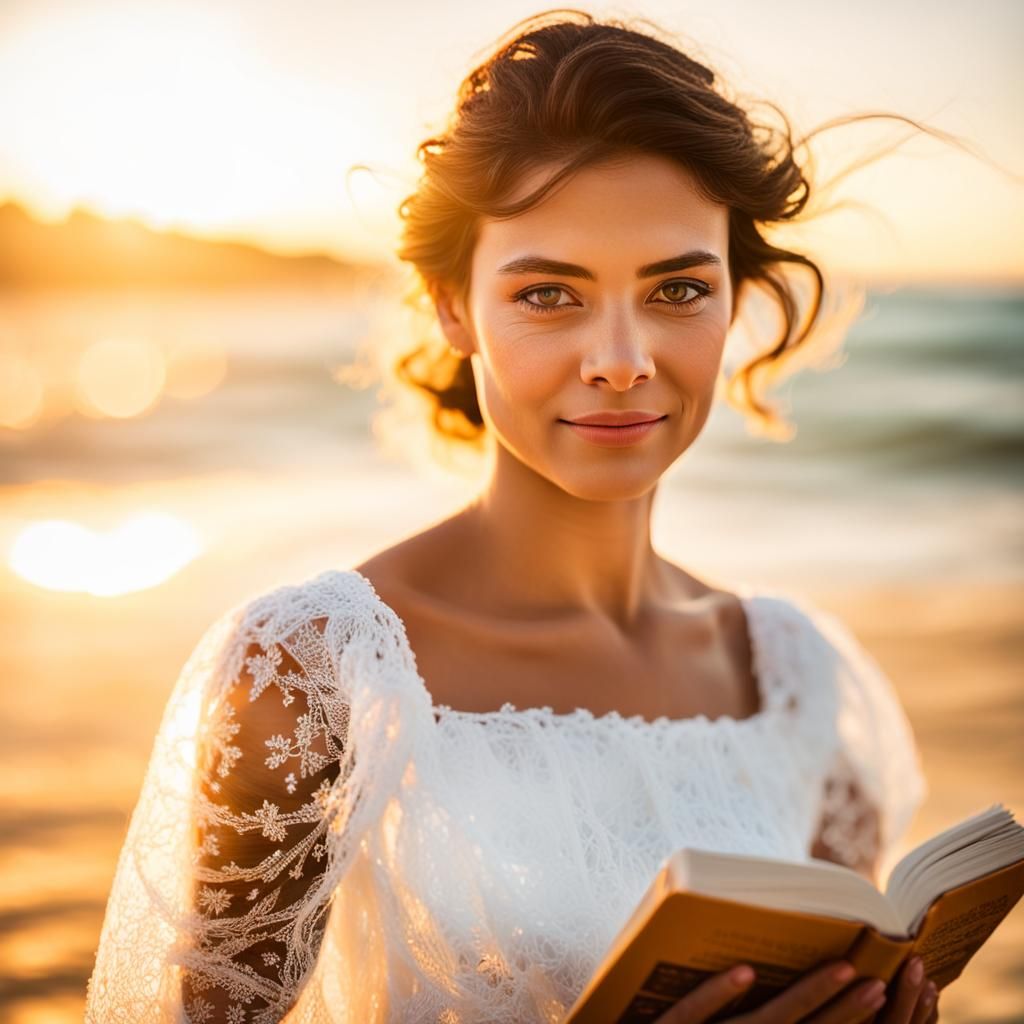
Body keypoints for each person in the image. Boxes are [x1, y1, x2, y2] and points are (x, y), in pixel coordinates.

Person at [85, 11, 944, 1023]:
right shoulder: (321, 669)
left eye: (676, 287)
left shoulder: (795, 677)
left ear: (735, 300)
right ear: (454, 304)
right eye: (548, 293)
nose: (621, 359)